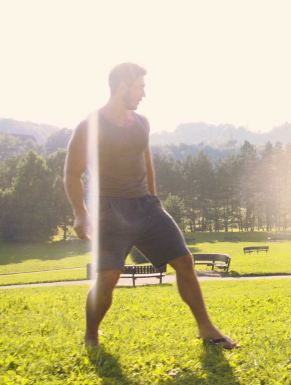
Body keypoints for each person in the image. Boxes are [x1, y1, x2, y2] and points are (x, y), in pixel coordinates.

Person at [63, 63, 238, 349]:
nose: (144, 93)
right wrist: (80, 214)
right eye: (140, 86)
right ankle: (91, 336)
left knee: (184, 261)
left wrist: (154, 200)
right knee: (108, 277)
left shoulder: (142, 122)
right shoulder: (90, 126)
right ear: (122, 85)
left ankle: (206, 329)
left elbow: (147, 163)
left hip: (146, 206)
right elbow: (72, 173)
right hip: (110, 209)